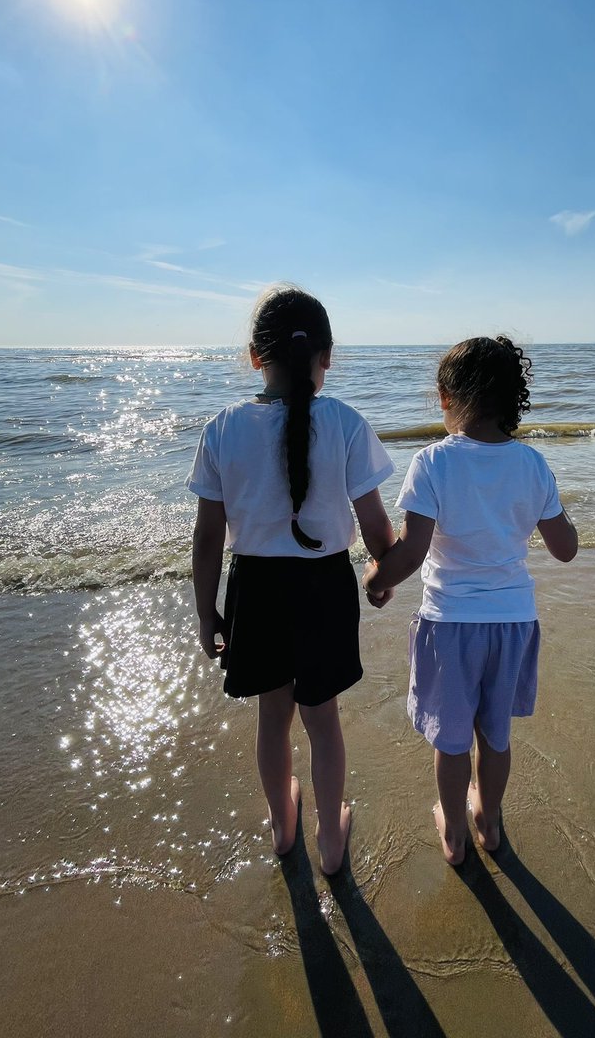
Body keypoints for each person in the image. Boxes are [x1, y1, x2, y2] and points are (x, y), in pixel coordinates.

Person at [187, 286, 395, 875]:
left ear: (256, 355)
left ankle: (284, 828)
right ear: (326, 356)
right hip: (324, 587)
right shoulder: (347, 423)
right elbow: (375, 525)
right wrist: (382, 574)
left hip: (254, 589)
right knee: (322, 720)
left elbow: (207, 539)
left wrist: (207, 614)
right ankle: (331, 843)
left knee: (272, 717)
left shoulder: (224, 428)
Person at [362, 336, 578, 866]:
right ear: (513, 402)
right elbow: (565, 548)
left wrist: (375, 576)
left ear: (444, 397)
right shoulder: (532, 464)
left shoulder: (433, 461)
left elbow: (411, 552)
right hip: (512, 623)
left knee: (451, 737)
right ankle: (490, 820)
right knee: (495, 734)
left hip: (451, 623)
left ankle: (455, 833)